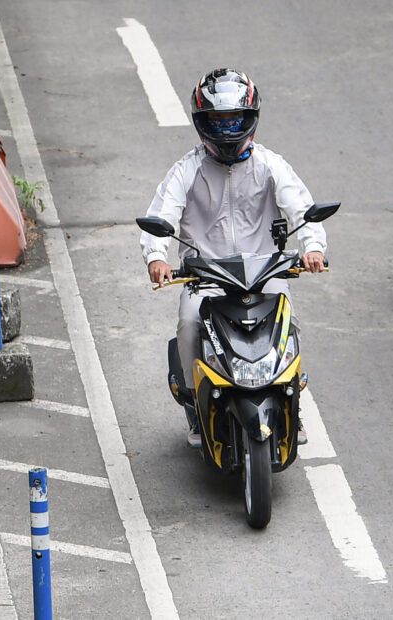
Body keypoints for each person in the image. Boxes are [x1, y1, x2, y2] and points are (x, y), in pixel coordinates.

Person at [139, 68, 327, 448]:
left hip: (264, 273)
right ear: (202, 123)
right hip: (204, 277)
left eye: (233, 121)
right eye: (217, 122)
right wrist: (156, 257)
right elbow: (161, 215)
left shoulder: (271, 166)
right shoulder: (186, 170)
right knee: (189, 325)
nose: (226, 130)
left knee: (289, 325)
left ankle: (292, 397)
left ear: (250, 119)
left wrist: (313, 248)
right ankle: (195, 402)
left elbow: (301, 209)